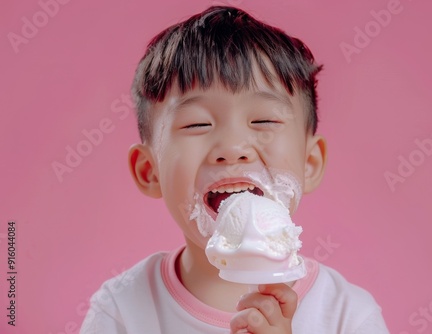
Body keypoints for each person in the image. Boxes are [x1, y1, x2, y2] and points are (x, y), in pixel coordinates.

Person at [81, 5, 389, 334]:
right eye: (197, 123)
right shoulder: (121, 311)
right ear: (149, 171)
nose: (232, 148)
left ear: (309, 163)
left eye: (264, 121)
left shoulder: (347, 315)